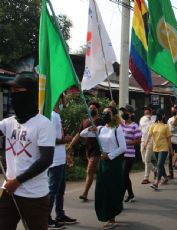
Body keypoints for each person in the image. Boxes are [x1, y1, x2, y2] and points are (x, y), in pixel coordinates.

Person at [0, 73, 56, 229]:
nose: (13, 96)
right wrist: (11, 184)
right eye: (11, 92)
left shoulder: (43, 125)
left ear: (29, 94)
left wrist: (17, 181)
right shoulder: (9, 123)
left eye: (18, 91)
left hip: (33, 195)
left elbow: (46, 160)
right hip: (9, 191)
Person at [80, 106, 127, 229]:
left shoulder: (117, 129)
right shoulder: (100, 129)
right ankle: (106, 215)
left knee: (112, 190)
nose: (106, 114)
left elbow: (123, 147)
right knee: (101, 189)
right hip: (103, 163)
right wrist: (91, 128)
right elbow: (82, 134)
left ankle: (112, 219)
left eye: (108, 113)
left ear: (114, 115)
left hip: (114, 162)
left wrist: (110, 156)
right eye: (104, 113)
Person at [48, 96, 77, 229]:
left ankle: (60, 214)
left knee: (60, 190)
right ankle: (46, 218)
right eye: (64, 97)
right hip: (54, 160)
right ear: (59, 99)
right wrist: (66, 140)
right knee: (53, 190)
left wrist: (66, 154)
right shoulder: (53, 116)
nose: (66, 101)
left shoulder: (57, 116)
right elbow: (50, 139)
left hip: (60, 158)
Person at [68, 101, 104, 202]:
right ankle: (106, 189)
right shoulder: (84, 121)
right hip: (88, 149)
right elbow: (78, 135)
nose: (92, 109)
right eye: (90, 108)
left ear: (98, 110)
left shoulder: (101, 121)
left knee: (89, 170)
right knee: (97, 172)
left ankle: (85, 193)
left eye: (94, 108)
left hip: (98, 150)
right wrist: (70, 146)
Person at [144, 109, 173, 190]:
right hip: (155, 148)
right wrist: (145, 144)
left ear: (163, 115)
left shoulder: (166, 126)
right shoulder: (153, 125)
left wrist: (171, 150)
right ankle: (165, 177)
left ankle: (156, 182)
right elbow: (149, 136)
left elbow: (169, 140)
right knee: (160, 164)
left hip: (164, 148)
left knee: (159, 164)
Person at [119, 105, 142, 203]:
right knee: (123, 175)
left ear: (130, 114)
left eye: (126, 111)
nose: (123, 113)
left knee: (124, 174)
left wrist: (126, 143)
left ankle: (121, 196)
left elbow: (138, 140)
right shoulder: (120, 124)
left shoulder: (134, 126)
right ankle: (131, 194)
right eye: (123, 111)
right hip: (120, 153)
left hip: (129, 154)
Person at [139, 107, 157, 184]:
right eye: (145, 110)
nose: (146, 112)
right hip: (143, 140)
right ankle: (155, 170)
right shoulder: (142, 119)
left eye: (147, 110)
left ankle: (146, 178)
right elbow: (140, 129)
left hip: (151, 141)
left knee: (147, 160)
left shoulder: (154, 119)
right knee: (144, 160)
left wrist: (151, 119)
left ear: (151, 111)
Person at [167, 105, 177, 179]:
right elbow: (169, 130)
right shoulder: (169, 119)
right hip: (172, 140)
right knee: (170, 157)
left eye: (174, 109)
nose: (172, 110)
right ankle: (170, 173)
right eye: (172, 109)